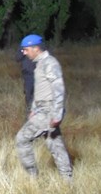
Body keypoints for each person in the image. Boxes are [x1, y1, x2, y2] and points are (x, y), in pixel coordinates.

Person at [15, 34, 72, 180]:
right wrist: (33, 109)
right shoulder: (39, 64)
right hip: (43, 109)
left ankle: (32, 177)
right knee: (55, 145)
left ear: (36, 48)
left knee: (22, 139)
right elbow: (40, 90)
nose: (24, 53)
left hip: (48, 111)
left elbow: (58, 89)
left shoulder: (50, 63)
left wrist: (57, 115)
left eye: (26, 49)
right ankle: (67, 180)